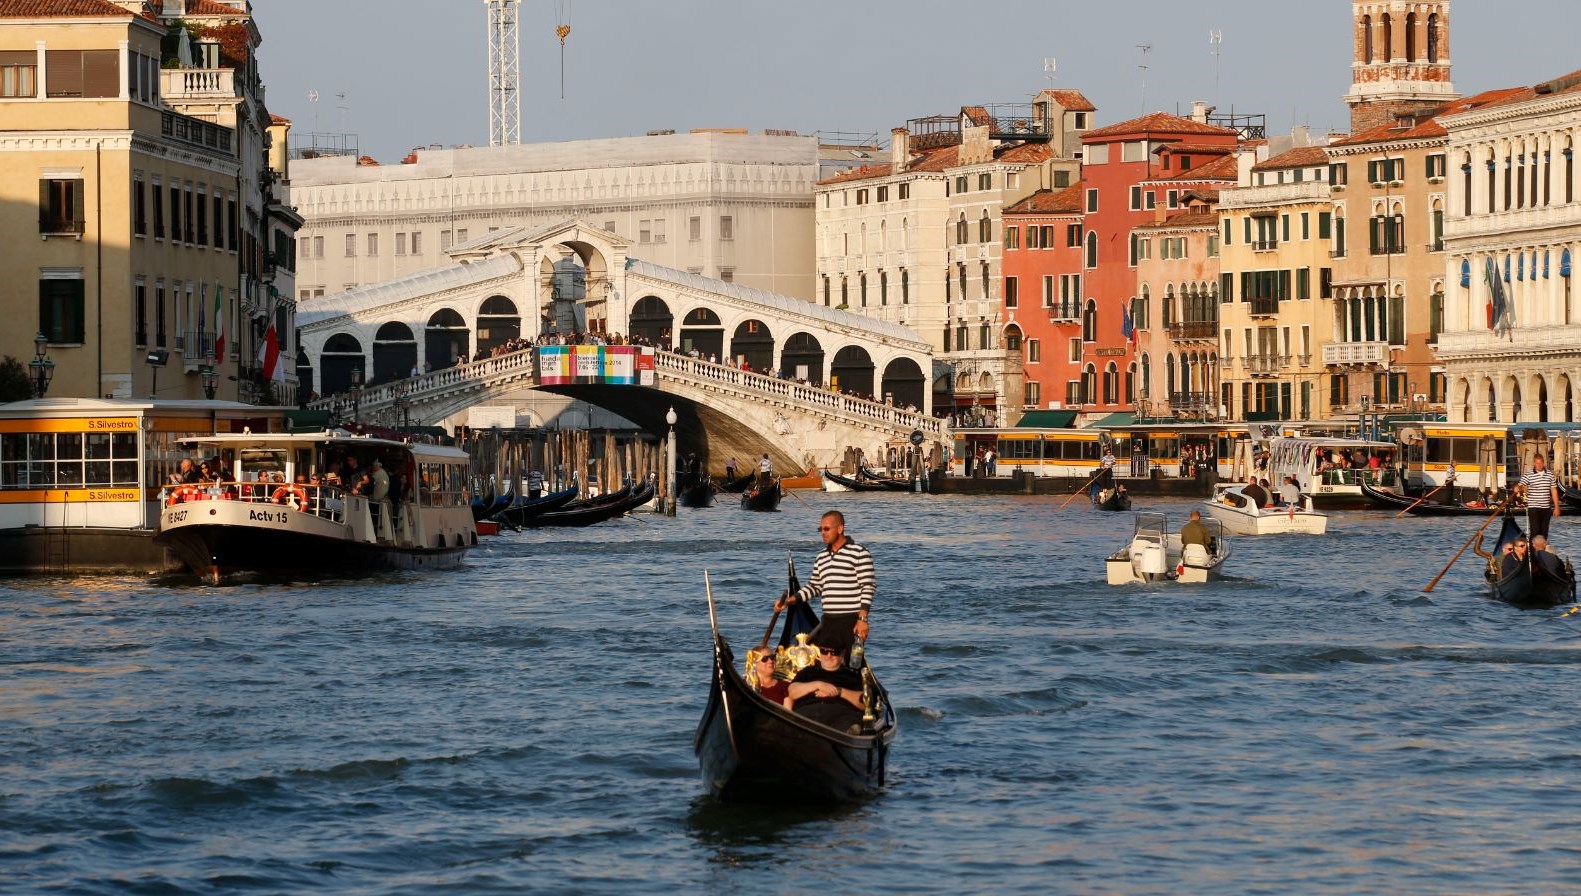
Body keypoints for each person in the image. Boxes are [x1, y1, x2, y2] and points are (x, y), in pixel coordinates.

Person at [775, 510, 874, 656]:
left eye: (827, 529)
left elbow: (867, 587)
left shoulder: (859, 553)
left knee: (852, 665)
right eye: (820, 529)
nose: (822, 532)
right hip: (828, 621)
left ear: (840, 529)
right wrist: (789, 601)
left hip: (851, 621)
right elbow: (814, 586)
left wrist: (862, 619)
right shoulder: (821, 557)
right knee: (825, 665)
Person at [786, 636, 865, 727]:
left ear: (842, 654)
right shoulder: (807, 672)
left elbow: (864, 703)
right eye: (825, 651)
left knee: (848, 722)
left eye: (834, 652)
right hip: (808, 712)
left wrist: (838, 691)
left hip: (840, 713)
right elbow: (791, 692)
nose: (829, 656)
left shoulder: (851, 676)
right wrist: (818, 685)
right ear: (820, 653)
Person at [1516, 453, 1560, 538]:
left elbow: (1554, 491)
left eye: (1540, 463)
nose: (1539, 465)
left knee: (1544, 533)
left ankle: (1542, 550)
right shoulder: (1528, 475)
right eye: (1537, 463)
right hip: (1534, 507)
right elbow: (1520, 485)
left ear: (1543, 463)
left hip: (1546, 508)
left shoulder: (1550, 475)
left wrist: (1557, 507)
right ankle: (1534, 550)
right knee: (1535, 532)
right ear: (1534, 463)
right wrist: (1517, 488)